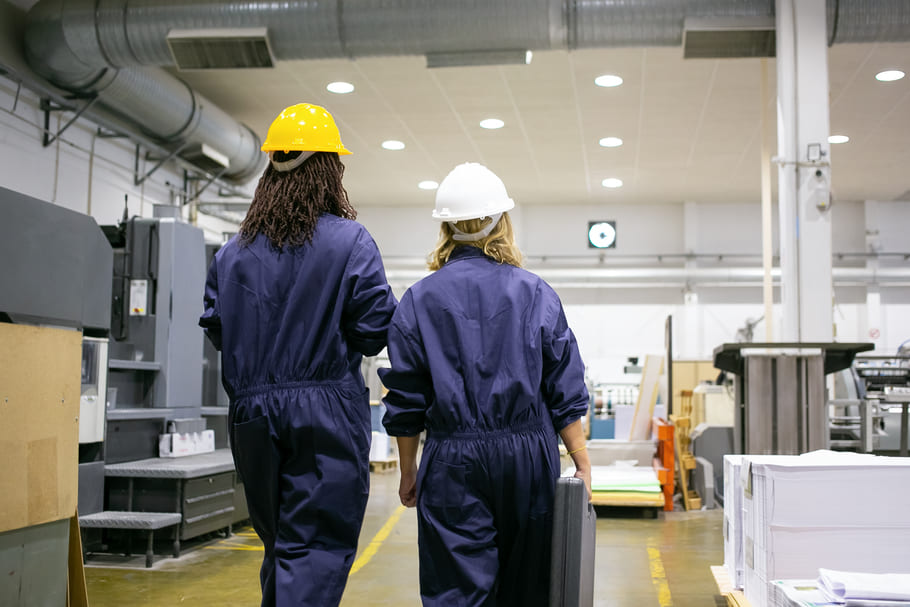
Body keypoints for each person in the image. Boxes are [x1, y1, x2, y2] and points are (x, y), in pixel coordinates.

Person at [199, 103, 397, 607]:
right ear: (329, 169)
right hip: (322, 417)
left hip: (250, 416)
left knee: (283, 547)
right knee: (313, 550)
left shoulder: (231, 251)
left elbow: (219, 330)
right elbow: (375, 332)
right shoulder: (349, 241)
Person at [380, 162, 591, 606]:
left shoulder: (419, 299)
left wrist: (408, 470)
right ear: (503, 223)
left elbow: (405, 399)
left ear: (446, 227)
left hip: (452, 459)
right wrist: (582, 464)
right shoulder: (535, 292)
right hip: (527, 456)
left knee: (457, 588)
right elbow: (563, 387)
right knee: (531, 583)